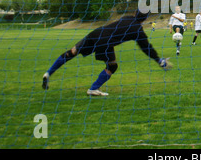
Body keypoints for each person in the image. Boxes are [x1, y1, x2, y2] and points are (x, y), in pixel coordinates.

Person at [42, 10, 172, 96]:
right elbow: (146, 48)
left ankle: (48, 73)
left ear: (135, 13)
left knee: (72, 52)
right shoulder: (138, 30)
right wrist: (159, 60)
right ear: (145, 19)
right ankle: (93, 89)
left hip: (96, 33)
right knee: (112, 66)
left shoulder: (127, 18)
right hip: (105, 41)